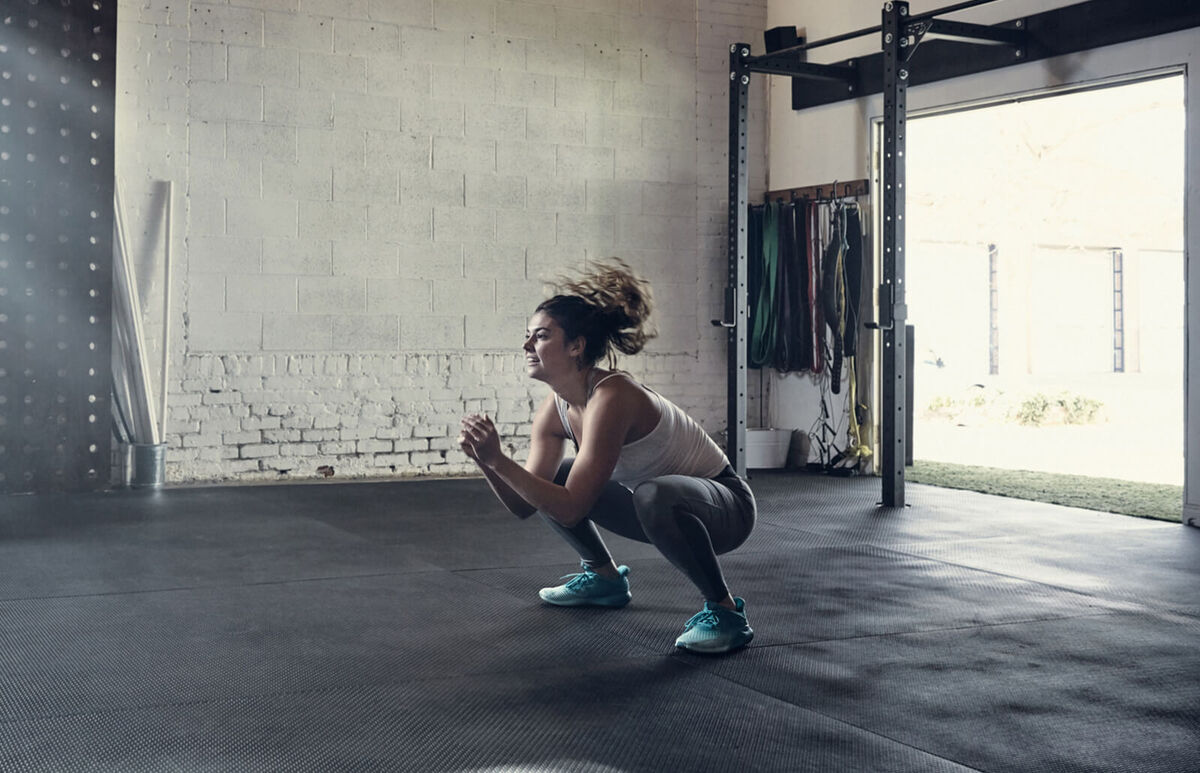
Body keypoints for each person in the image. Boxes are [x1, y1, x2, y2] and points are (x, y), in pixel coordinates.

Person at [458, 259, 757, 654]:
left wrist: (499, 460)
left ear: (577, 345)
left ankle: (725, 611)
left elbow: (570, 510)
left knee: (652, 494)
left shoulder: (613, 396)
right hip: (658, 508)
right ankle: (604, 578)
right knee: (560, 479)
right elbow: (524, 505)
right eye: (527, 336)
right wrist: (487, 459)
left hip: (725, 509)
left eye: (541, 336)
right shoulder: (556, 409)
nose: (527, 346)